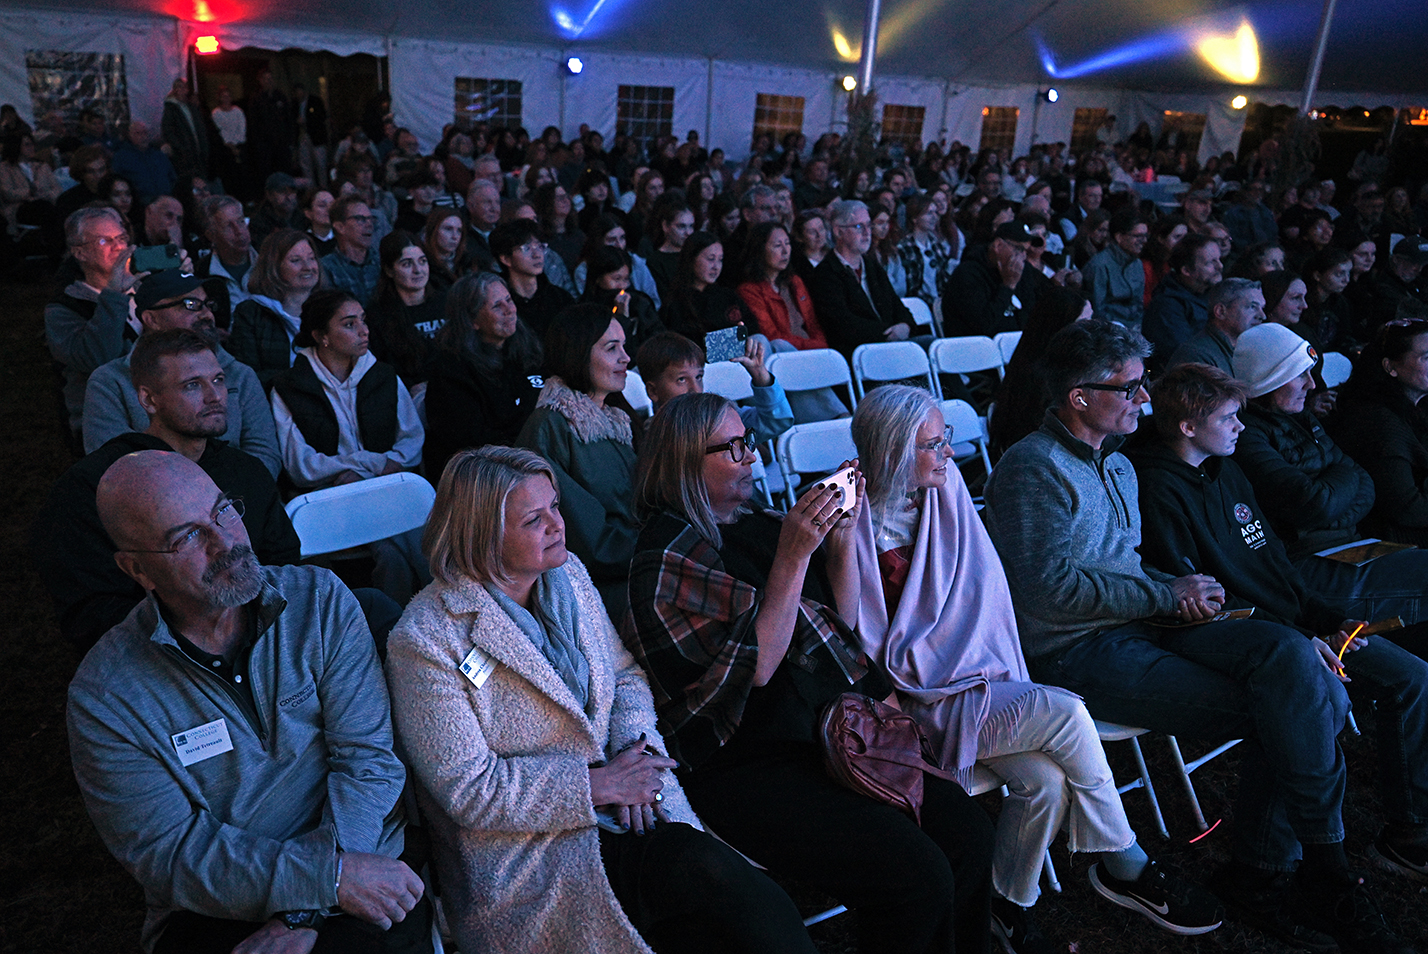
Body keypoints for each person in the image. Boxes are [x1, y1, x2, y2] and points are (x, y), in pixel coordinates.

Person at [982, 319, 1405, 954]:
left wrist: (1180, 588)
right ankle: (1308, 872)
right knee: (1294, 703)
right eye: (1128, 389)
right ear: (1079, 397)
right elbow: (1048, 590)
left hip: (1142, 627)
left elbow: (1120, 566)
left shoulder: (1117, 467)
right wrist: (1165, 593)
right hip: (1077, 652)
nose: (1143, 399)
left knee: (1289, 662)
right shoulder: (1032, 469)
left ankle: (1294, 870)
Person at [385, 446, 815, 953]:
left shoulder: (569, 578)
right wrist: (599, 786)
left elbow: (626, 677)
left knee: (739, 906)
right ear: (482, 536)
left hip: (627, 801)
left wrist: (637, 759)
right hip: (527, 858)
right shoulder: (426, 637)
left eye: (555, 508)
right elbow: (469, 790)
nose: (557, 525)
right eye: (533, 519)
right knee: (713, 887)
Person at [850, 385, 1223, 950]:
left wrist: (976, 658)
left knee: (1045, 784)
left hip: (978, 674)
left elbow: (980, 595)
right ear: (892, 451)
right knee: (1069, 712)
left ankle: (1002, 907)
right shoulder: (847, 521)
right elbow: (866, 636)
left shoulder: (943, 490)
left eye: (946, 437)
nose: (950, 453)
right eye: (932, 444)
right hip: (913, 698)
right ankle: (1126, 863)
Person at [623, 392, 996, 954]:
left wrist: (841, 547)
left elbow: (835, 637)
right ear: (683, 464)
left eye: (749, 442)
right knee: (916, 875)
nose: (752, 457)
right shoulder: (666, 559)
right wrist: (795, 557)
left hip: (821, 730)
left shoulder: (752, 522)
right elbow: (762, 666)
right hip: (744, 760)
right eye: (733, 448)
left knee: (968, 835)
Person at [68, 449, 430, 954]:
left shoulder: (319, 603)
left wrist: (312, 902)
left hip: (364, 853)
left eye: (223, 510)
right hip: (221, 902)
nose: (227, 542)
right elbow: (172, 853)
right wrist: (324, 881)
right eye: (188, 536)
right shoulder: (107, 698)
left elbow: (367, 763)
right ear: (137, 569)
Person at [1131, 362, 1428, 898]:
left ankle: (1408, 828)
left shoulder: (1227, 467)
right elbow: (1203, 599)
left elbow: (1276, 567)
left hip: (1291, 622)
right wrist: (1297, 634)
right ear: (1188, 428)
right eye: (1229, 418)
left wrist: (1325, 619)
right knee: (1315, 696)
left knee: (1413, 677)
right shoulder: (1156, 487)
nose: (1242, 427)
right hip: (1226, 632)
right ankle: (1271, 862)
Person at [34, 328, 300, 652]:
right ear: (148, 399)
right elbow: (89, 611)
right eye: (192, 386)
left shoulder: (245, 472)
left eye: (218, 380)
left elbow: (284, 564)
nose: (215, 396)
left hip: (265, 645)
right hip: (157, 661)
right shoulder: (92, 488)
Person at [1232, 321, 1428, 627]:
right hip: (1306, 564)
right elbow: (1313, 503)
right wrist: (1332, 499)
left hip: (1351, 545)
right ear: (1269, 380)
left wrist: (1328, 503)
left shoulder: (1304, 418)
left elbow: (1365, 485)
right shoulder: (1245, 436)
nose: (1312, 385)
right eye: (1300, 375)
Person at [270, 289, 428, 604]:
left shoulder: (382, 375)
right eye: (349, 324)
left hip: (382, 491)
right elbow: (301, 465)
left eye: (363, 321)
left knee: (406, 551)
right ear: (321, 336)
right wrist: (369, 466)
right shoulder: (289, 388)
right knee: (393, 553)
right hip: (327, 499)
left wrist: (363, 471)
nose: (364, 330)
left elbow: (411, 441)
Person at [83, 271, 280, 477]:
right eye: (191, 305)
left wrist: (221, 500)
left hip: (236, 501)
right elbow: (113, 467)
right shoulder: (109, 381)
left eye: (207, 305)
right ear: (152, 319)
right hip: (150, 505)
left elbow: (265, 455)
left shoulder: (240, 375)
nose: (206, 315)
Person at [517, 303, 640, 615]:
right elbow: (588, 540)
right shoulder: (550, 427)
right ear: (579, 353)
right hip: (601, 585)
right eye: (612, 348)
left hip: (637, 561)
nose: (626, 358)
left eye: (624, 347)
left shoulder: (617, 419)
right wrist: (657, 547)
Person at [423, 272, 543, 476]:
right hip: (489, 473)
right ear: (472, 320)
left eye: (509, 300)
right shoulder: (450, 371)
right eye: (498, 306)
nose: (510, 310)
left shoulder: (526, 349)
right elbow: (474, 442)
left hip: (537, 455)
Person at [1327, 317, 1428, 549]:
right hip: (1389, 538)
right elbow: (1409, 510)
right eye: (1427, 357)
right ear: (1390, 367)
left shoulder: (1416, 407)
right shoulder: (1377, 423)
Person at [45, 206, 143, 435]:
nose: (118, 247)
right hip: (106, 422)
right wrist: (114, 295)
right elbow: (98, 357)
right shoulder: (64, 309)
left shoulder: (145, 292)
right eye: (104, 241)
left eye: (121, 238)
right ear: (80, 253)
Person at [636, 330, 793, 447]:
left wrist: (759, 374)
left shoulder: (719, 416)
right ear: (653, 391)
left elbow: (776, 421)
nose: (695, 389)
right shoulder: (655, 438)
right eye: (681, 379)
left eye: (699, 377)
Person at [988, 286, 1092, 459]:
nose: (1091, 332)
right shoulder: (1041, 381)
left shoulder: (1035, 364)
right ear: (1063, 328)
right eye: (1084, 322)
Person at [807, 199, 915, 357]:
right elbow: (842, 324)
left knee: (933, 347)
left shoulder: (872, 267)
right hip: (861, 353)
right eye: (859, 226)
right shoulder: (826, 274)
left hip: (891, 346)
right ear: (838, 232)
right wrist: (888, 333)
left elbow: (898, 307)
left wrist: (906, 325)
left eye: (869, 225)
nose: (867, 233)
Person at [229, 228, 325, 389]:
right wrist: (298, 378)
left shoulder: (331, 308)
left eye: (311, 258)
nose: (308, 267)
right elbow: (246, 375)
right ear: (274, 267)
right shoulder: (250, 313)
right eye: (296, 260)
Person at [366, 230, 447, 391]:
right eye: (407, 264)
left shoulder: (447, 303)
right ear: (389, 270)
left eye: (422, 261)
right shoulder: (377, 316)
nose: (418, 270)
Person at [736, 220, 828, 351]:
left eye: (788, 243)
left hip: (812, 349)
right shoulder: (749, 291)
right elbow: (771, 336)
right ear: (760, 249)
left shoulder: (795, 281)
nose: (785, 251)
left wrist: (821, 345)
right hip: (785, 354)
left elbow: (813, 324)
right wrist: (814, 346)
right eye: (778, 245)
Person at [942, 221, 1042, 338]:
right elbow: (983, 326)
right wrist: (1008, 286)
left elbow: (1031, 313)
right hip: (975, 348)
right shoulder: (968, 274)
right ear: (998, 245)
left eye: (1026, 251)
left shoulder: (1023, 271)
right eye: (1019, 249)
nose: (1023, 256)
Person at [1142, 233, 1223, 367]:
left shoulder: (1212, 294)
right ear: (1186, 270)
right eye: (1210, 263)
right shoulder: (1166, 306)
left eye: (1219, 259)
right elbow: (1187, 356)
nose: (1220, 266)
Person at [659, 230, 754, 341]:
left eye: (720, 260)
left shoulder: (727, 295)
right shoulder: (677, 302)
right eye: (710, 259)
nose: (716, 266)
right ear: (691, 259)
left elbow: (752, 327)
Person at [579, 245, 665, 364]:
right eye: (616, 279)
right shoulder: (586, 310)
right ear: (598, 278)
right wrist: (622, 317)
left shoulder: (640, 303)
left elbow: (657, 337)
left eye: (626, 279)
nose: (622, 286)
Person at [492, 217, 574, 337]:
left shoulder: (560, 299)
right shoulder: (500, 304)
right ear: (506, 259)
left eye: (540, 247)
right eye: (527, 248)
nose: (537, 255)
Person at [1166, 276, 1265, 374]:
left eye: (1262, 308)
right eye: (1252, 307)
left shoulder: (1245, 352)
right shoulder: (1196, 357)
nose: (1262, 316)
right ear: (1220, 311)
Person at [193, 195, 257, 329]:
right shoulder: (202, 275)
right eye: (228, 226)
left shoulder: (268, 262)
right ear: (211, 235)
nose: (239, 231)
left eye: (241, 221)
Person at [1084, 210, 1146, 330]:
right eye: (1138, 236)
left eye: (1145, 236)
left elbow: (1139, 305)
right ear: (1119, 237)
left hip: (1134, 329)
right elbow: (1097, 310)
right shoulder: (1099, 265)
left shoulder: (1137, 264)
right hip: (1108, 332)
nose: (1144, 241)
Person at [896, 193, 959, 311]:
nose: (934, 217)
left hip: (940, 303)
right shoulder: (904, 248)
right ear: (915, 218)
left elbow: (943, 278)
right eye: (929, 213)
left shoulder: (936, 245)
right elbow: (909, 286)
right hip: (919, 306)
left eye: (935, 212)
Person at [321, 193, 382, 305]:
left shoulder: (382, 262)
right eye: (360, 219)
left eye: (370, 219)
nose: (369, 224)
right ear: (340, 227)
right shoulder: (327, 268)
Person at [247, 171, 301, 249]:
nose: (288, 197)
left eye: (292, 191)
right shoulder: (259, 224)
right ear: (269, 195)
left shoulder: (302, 217)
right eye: (282, 191)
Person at [422, 206, 469, 291]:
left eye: (459, 230)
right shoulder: (423, 266)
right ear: (434, 230)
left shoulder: (468, 263)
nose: (455, 236)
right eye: (448, 229)